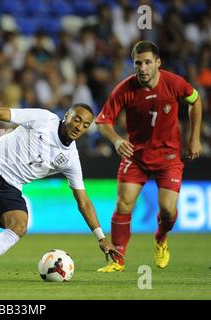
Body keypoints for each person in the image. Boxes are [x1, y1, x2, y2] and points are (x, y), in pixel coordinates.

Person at [0, 95, 123, 280]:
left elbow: (83, 201)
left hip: (10, 186)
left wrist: (101, 237)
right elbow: (1, 113)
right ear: (66, 117)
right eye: (77, 119)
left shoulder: (70, 159)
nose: (79, 126)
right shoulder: (44, 119)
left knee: (19, 225)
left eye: (85, 125)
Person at [95, 41, 202, 272]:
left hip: (168, 155)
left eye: (147, 62)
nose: (142, 68)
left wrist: (194, 137)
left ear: (157, 63)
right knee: (123, 204)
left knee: (167, 210)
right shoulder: (125, 88)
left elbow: (195, 101)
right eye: (137, 63)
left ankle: (161, 238)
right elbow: (102, 121)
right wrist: (117, 140)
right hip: (135, 154)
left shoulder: (174, 83)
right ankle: (118, 259)